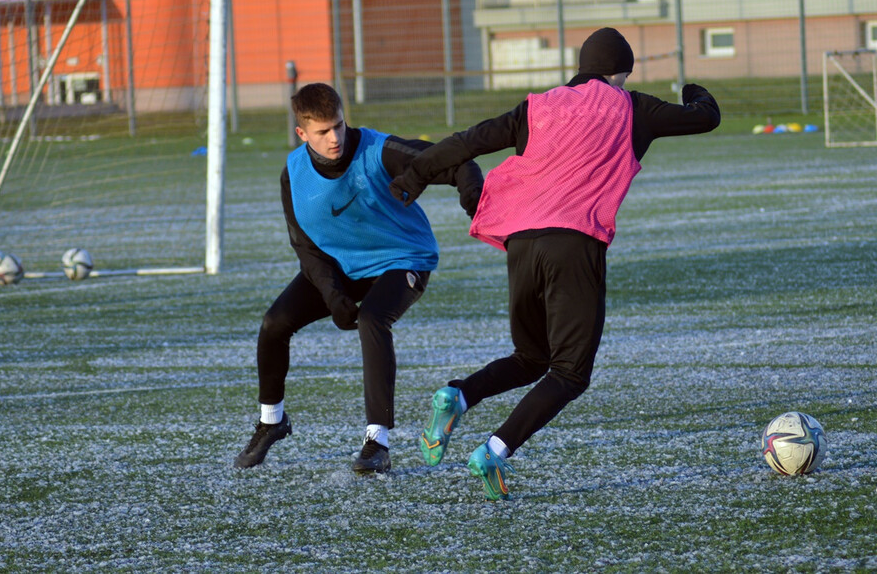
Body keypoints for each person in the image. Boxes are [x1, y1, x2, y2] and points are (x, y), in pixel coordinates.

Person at [389, 27, 720, 499]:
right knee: (569, 372)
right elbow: (705, 118)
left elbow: (470, 140)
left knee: (532, 357)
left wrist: (413, 176)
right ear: (619, 72)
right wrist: (694, 91)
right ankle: (494, 452)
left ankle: (458, 395)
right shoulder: (633, 107)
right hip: (575, 243)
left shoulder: (538, 106)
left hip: (522, 243)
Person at [234, 82, 483, 475]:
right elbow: (306, 247)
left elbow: (457, 161)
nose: (334, 137)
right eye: (322, 131)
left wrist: (473, 195)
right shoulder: (293, 174)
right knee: (273, 324)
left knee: (372, 319)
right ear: (302, 134)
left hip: (403, 259)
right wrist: (332, 296)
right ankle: (271, 421)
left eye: (338, 125)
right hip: (340, 267)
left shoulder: (378, 150)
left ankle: (377, 442)